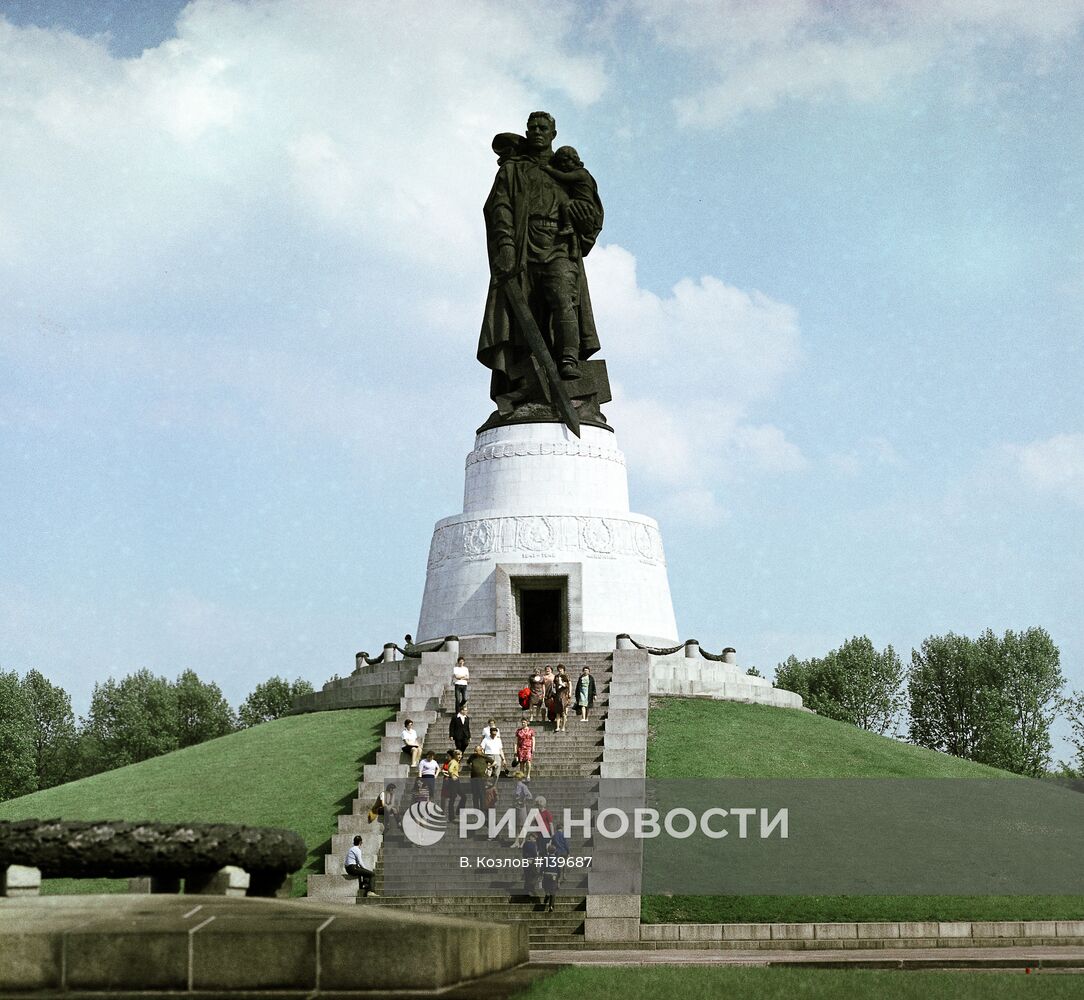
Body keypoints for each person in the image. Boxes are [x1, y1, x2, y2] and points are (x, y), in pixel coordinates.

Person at [478, 111, 604, 394]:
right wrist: (507, 245)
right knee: (524, 315)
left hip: (559, 244)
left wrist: (586, 222)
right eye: (532, 127)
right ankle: (526, 379)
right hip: (523, 245)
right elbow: (499, 209)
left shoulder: (569, 172)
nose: (536, 131)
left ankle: (568, 359)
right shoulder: (513, 170)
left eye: (542, 127)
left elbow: (592, 212)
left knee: (563, 300)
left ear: (553, 134)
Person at [542, 146, 598, 237]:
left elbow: (564, 177)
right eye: (561, 163)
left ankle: (568, 226)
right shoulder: (580, 173)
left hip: (583, 203)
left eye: (565, 161)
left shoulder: (581, 173)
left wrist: (550, 170)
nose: (563, 165)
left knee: (566, 205)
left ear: (574, 160)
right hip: (581, 202)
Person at [510, 772, 533, 848]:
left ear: (517, 778)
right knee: (517, 825)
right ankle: (516, 841)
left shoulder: (523, 786)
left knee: (522, 825)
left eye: (514, 778)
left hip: (522, 807)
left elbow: (529, 796)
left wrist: (522, 801)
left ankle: (523, 841)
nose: (513, 779)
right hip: (515, 807)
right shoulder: (515, 786)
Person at [522, 832, 544, 902]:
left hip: (526, 861)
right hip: (531, 861)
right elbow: (534, 853)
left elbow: (524, 853)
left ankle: (526, 891)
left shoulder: (525, 843)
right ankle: (531, 888)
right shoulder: (532, 844)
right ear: (531, 837)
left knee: (527, 876)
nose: (535, 840)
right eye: (534, 838)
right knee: (535, 875)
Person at [468, 745, 490, 812]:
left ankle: (483, 809)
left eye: (476, 751)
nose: (474, 752)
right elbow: (468, 762)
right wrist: (471, 767)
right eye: (474, 750)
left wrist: (488, 768)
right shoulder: (472, 756)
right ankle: (476, 809)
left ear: (481, 750)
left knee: (482, 794)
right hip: (473, 778)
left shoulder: (484, 756)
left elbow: (494, 762)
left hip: (482, 778)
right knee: (475, 794)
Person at [541, 842, 562, 912]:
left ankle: (546, 894)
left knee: (546, 887)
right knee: (553, 891)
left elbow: (542, 868)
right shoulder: (557, 859)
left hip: (546, 875)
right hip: (554, 875)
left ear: (548, 851)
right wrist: (559, 877)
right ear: (555, 851)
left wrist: (541, 874)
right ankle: (551, 906)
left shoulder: (545, 858)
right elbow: (559, 869)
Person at [445, 749, 465, 819]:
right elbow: (450, 769)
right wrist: (452, 776)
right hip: (454, 781)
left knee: (463, 796)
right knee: (453, 798)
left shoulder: (455, 761)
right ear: (455, 755)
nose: (460, 756)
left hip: (455, 780)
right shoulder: (454, 762)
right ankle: (451, 816)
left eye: (461, 755)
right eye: (458, 755)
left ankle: (457, 812)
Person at [552, 664, 571, 732]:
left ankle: (563, 726)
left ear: (563, 669)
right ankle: (557, 727)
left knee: (563, 711)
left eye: (561, 668)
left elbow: (568, 684)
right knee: (557, 712)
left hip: (564, 695)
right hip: (557, 694)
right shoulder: (556, 676)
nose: (560, 670)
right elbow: (554, 684)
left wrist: (570, 692)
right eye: (559, 668)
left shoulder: (566, 676)